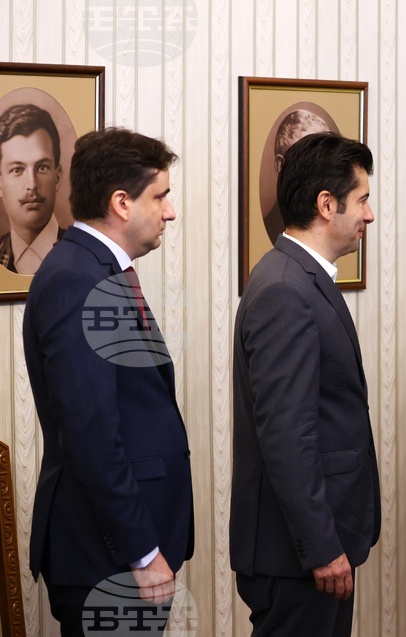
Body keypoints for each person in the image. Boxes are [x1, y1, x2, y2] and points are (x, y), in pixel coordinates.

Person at [22, 128, 194, 636]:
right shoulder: (78, 279)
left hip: (121, 550)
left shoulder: (97, 270)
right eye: (160, 196)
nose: (169, 212)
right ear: (121, 203)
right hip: (108, 556)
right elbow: (91, 433)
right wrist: (142, 552)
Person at [232, 131, 380, 637]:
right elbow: (287, 435)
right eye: (362, 200)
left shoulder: (300, 277)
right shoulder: (284, 289)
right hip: (297, 555)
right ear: (326, 204)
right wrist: (321, 546)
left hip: (314, 544)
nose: (369, 215)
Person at [0, 103, 66, 274]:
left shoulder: (84, 255)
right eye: (17, 170)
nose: (32, 184)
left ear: (58, 177)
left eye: (42, 167)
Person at [262, 108, 331, 244]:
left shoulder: (333, 227)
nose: (322, 173)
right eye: (307, 161)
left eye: (325, 161)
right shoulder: (271, 225)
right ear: (280, 166)